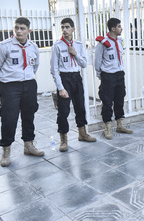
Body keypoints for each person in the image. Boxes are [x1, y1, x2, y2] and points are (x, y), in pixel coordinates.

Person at [0, 17, 44, 167]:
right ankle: (6, 150)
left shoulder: (33, 47)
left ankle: (28, 145)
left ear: (29, 31)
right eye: (16, 28)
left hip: (29, 85)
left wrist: (27, 80)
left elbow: (35, 66)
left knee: (29, 116)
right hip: (10, 86)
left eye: (22, 28)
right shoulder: (4, 46)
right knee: (9, 119)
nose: (19, 31)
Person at [50, 18, 96, 152]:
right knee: (63, 110)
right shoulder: (57, 46)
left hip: (76, 77)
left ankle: (82, 133)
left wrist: (75, 54)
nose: (64, 30)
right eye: (62, 27)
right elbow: (54, 70)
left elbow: (83, 64)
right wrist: (60, 88)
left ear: (73, 29)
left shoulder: (79, 44)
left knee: (80, 107)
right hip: (65, 78)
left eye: (67, 27)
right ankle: (63, 139)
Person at [95, 18, 133, 139]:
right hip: (108, 75)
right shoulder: (103, 43)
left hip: (119, 74)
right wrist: (100, 75)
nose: (121, 28)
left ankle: (120, 124)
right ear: (113, 29)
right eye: (119, 26)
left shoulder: (120, 40)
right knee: (107, 102)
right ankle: (107, 127)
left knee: (120, 99)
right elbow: (97, 61)